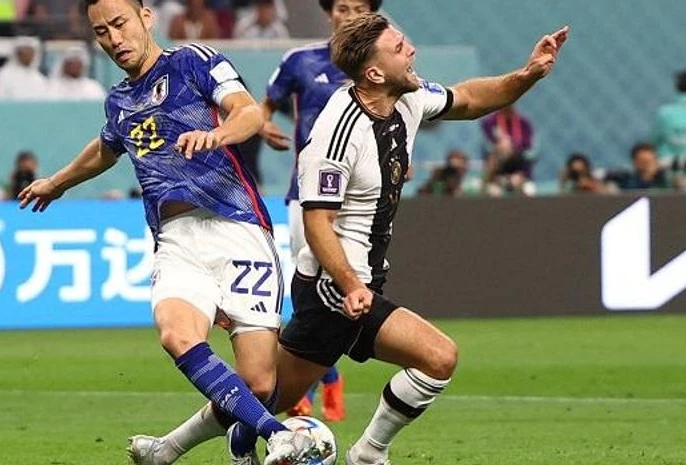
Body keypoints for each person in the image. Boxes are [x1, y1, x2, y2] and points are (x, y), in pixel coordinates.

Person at [130, 12, 569, 465]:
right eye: (399, 47)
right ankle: (368, 454)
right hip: (334, 287)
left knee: (267, 393)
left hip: (357, 282)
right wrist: (350, 285)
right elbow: (317, 222)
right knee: (438, 358)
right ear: (374, 73)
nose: (412, 50)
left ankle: (168, 449)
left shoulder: (408, 96)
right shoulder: (337, 134)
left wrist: (528, 74)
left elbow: (471, 98)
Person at [17, 1, 321, 465]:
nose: (114, 39)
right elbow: (105, 148)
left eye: (119, 24)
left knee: (258, 384)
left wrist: (216, 135)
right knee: (177, 335)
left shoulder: (193, 61)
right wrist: (57, 183)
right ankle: (279, 435)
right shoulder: (119, 101)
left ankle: (174, 449)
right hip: (177, 239)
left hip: (238, 226)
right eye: (101, 32)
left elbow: (247, 112)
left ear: (146, 17)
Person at [258, 0, 383, 424]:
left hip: (362, 199)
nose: (350, 16)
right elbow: (265, 105)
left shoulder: (382, 66)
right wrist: (262, 123)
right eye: (342, 8)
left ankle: (315, 381)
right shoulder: (300, 60)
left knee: (349, 289)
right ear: (330, 13)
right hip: (309, 195)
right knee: (307, 288)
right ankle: (320, 380)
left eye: (359, 8)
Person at [0, 36, 49, 101]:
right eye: (24, 53)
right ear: (16, 54)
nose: (28, 56)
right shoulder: (3, 76)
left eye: (30, 53)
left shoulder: (39, 78)